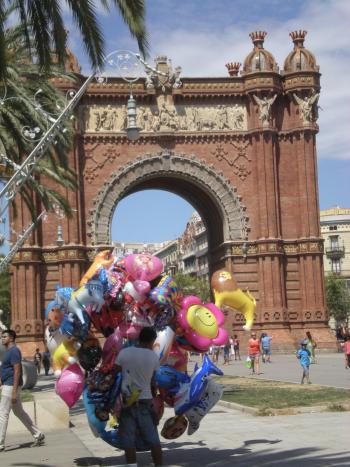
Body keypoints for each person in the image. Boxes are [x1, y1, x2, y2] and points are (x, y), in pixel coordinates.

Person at [115, 327, 162, 466]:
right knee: (153, 439)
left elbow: (115, 372)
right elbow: (154, 382)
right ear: (152, 341)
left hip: (127, 401)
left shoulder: (124, 353)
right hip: (145, 401)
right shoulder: (153, 357)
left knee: (128, 440)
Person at [0, 329, 45, 451]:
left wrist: (14, 391)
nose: (2, 338)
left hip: (11, 386)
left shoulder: (14, 351)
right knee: (19, 412)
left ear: (11, 338)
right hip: (8, 385)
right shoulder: (8, 351)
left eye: (4, 336)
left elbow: (17, 370)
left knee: (3, 414)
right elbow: (7, 370)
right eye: (2, 336)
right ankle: (38, 434)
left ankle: (0, 443)